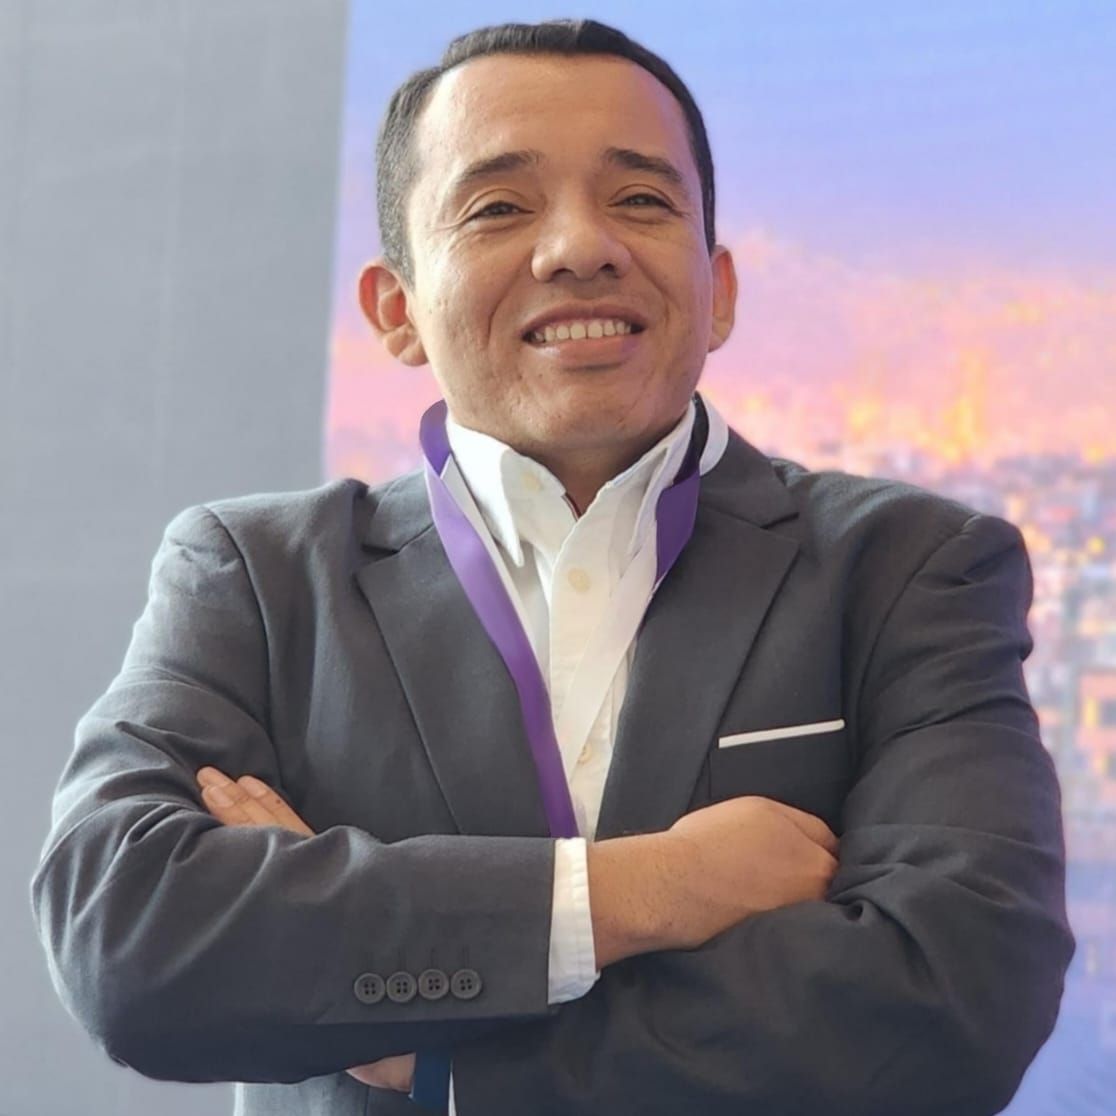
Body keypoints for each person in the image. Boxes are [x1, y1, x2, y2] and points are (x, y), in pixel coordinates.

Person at [31, 18, 1074, 1116]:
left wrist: (435, 1059)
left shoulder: (906, 569)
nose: (580, 246)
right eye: (499, 207)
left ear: (718, 290)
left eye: (641, 199)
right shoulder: (260, 578)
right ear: (397, 310)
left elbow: (957, 996)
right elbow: (126, 937)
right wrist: (648, 890)